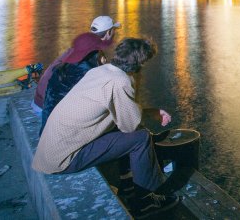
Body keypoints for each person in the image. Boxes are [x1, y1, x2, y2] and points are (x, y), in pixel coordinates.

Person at [32, 38, 180, 218]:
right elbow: (130, 125)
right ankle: (146, 200)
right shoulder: (120, 82)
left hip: (51, 150)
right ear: (140, 63)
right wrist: (136, 82)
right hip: (63, 159)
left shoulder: (100, 71)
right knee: (141, 138)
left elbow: (119, 113)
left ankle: (128, 183)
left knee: (121, 134)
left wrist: (150, 111)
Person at [32, 15, 120, 115]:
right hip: (47, 109)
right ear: (109, 33)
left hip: (38, 102)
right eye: (114, 31)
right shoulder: (92, 56)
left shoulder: (77, 49)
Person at [39, 32, 108, 134]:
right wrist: (104, 68)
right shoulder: (89, 74)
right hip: (64, 135)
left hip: (46, 131)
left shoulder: (62, 68)